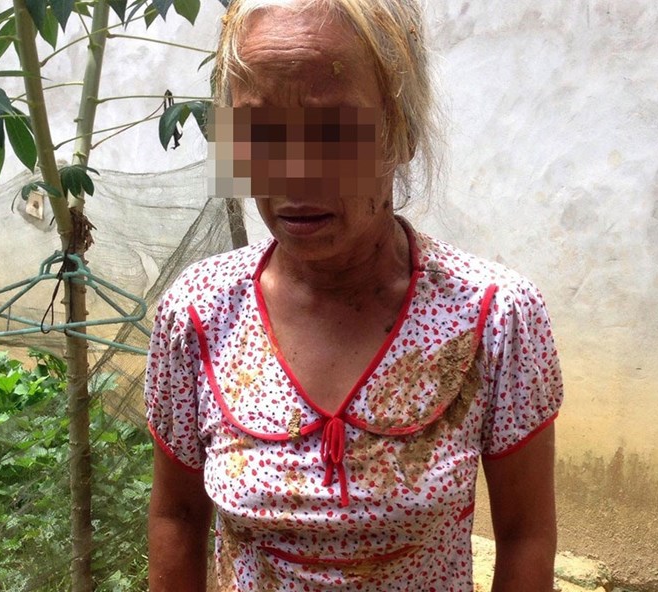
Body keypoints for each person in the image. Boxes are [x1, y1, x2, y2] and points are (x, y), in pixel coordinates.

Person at [145, 1, 563, 590]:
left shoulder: (493, 317)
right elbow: (177, 517)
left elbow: (525, 536)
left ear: (402, 131)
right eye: (260, 131)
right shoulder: (198, 313)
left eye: (333, 129)